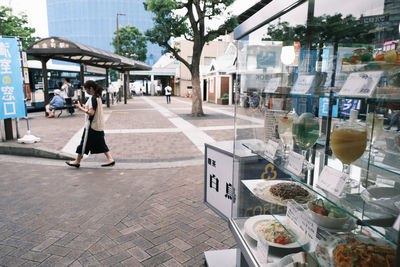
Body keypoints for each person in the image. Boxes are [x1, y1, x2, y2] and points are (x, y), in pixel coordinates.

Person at [66, 80, 115, 168]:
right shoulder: (97, 97)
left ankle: (77, 161)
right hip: (98, 125)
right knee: (101, 143)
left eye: (87, 89)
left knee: (83, 143)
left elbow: (91, 112)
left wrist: (80, 108)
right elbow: (92, 108)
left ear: (91, 88)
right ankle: (110, 159)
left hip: (92, 126)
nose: (86, 91)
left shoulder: (93, 98)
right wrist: (83, 106)